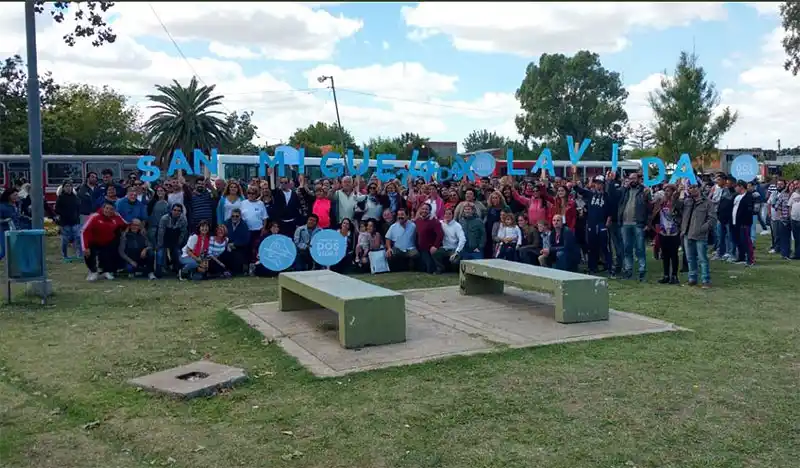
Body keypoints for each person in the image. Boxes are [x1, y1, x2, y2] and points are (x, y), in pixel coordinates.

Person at [608, 172, 651, 281]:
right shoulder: (624, 191)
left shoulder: (644, 191)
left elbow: (649, 208)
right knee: (627, 249)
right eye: (630, 178)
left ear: (638, 179)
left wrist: (648, 223)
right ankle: (628, 271)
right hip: (624, 224)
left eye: (634, 178)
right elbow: (612, 194)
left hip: (638, 224)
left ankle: (642, 271)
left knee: (640, 249)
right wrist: (611, 181)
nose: (632, 180)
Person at [679, 183, 716, 287]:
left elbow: (712, 219)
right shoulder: (687, 201)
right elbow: (676, 206)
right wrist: (679, 192)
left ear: (699, 188)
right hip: (687, 233)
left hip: (700, 235)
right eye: (690, 188)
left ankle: (705, 280)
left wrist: (702, 228)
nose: (692, 189)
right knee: (690, 258)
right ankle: (692, 278)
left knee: (702, 258)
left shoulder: (707, 202)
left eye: (694, 187)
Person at [574, 177, 612, 275]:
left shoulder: (607, 196)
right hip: (591, 223)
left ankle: (609, 266)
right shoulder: (590, 194)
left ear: (603, 184)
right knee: (592, 246)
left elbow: (611, 209)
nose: (598, 185)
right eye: (597, 183)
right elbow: (579, 190)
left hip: (602, 223)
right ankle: (592, 267)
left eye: (600, 183)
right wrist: (574, 181)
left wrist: (609, 219)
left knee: (604, 247)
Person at [81, 201, 127, 281]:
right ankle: (93, 271)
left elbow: (125, 224)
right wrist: (85, 247)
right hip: (93, 241)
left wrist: (119, 216)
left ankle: (106, 271)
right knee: (88, 253)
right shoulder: (94, 217)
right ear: (103, 208)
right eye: (107, 208)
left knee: (110, 251)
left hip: (107, 242)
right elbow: (84, 231)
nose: (108, 211)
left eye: (111, 209)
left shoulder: (115, 217)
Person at [652, 184, 681, 284]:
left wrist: (674, 198)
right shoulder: (661, 203)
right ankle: (666, 275)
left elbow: (679, 212)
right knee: (665, 254)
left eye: (668, 190)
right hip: (663, 232)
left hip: (674, 231)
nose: (666, 192)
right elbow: (654, 213)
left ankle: (674, 275)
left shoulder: (677, 202)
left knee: (674, 254)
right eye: (665, 190)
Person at [156, 203, 189, 277]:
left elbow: (183, 233)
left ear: (181, 212)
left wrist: (179, 244)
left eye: (179, 211)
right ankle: (158, 272)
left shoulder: (183, 220)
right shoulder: (164, 218)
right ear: (171, 210)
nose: (176, 212)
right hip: (164, 239)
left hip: (175, 241)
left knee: (178, 254)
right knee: (160, 254)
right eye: (174, 210)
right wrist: (160, 245)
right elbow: (160, 233)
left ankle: (178, 271)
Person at [54, 180, 83, 261]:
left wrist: (77, 216)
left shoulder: (75, 198)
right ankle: (65, 256)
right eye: (66, 186)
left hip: (75, 222)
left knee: (78, 238)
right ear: (63, 188)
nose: (68, 188)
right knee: (65, 241)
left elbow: (79, 208)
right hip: (65, 223)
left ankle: (79, 255)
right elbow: (56, 209)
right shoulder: (60, 198)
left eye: (70, 186)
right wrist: (63, 214)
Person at [414, 203, 444, 274]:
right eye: (423, 209)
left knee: (429, 270)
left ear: (430, 211)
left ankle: (440, 268)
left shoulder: (434, 221)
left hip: (430, 249)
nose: (424, 211)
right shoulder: (418, 220)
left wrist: (435, 246)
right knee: (422, 269)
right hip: (421, 248)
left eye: (426, 209)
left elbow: (440, 235)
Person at [434, 207, 466, 273]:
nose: (447, 216)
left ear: (453, 215)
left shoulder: (457, 225)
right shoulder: (441, 223)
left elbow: (463, 239)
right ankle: (440, 268)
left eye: (449, 214)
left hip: (454, 248)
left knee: (454, 260)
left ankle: (456, 271)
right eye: (446, 214)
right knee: (434, 253)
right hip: (444, 248)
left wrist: (457, 251)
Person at [732, 180, 755, 266]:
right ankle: (741, 256)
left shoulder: (748, 197)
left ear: (741, 186)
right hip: (736, 222)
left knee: (746, 241)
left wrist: (745, 222)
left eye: (736, 186)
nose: (735, 188)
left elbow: (749, 211)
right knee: (739, 241)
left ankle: (750, 259)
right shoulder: (737, 196)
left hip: (744, 223)